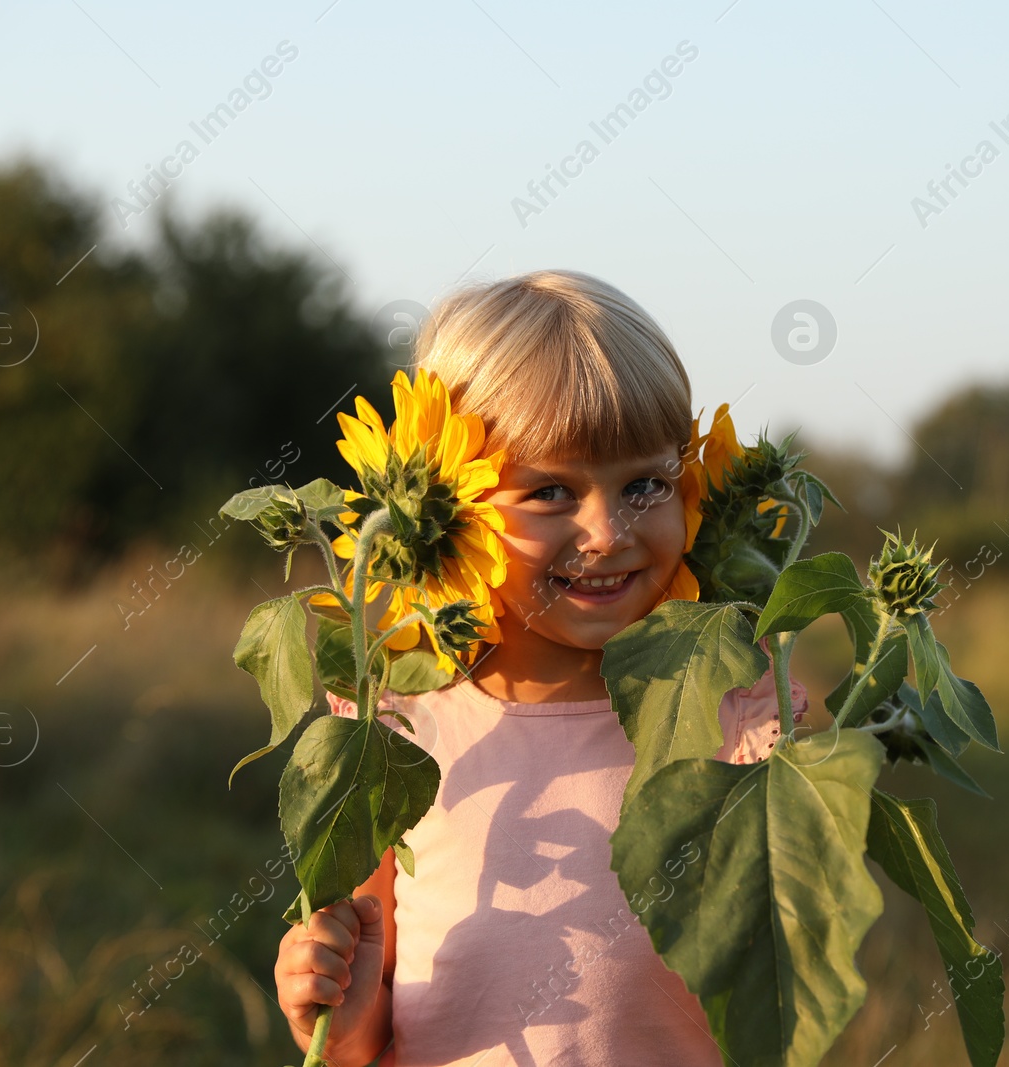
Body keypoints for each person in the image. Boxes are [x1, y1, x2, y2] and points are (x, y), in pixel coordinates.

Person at [272, 269, 806, 1066]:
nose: (606, 531)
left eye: (647, 483)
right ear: (449, 502)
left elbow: (789, 982)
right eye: (551, 490)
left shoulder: (733, 710)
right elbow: (367, 1028)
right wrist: (333, 1015)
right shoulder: (395, 724)